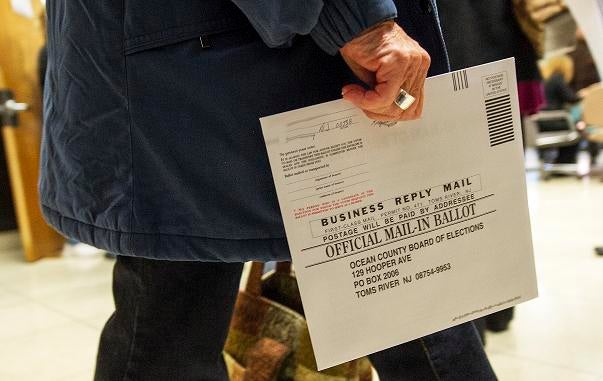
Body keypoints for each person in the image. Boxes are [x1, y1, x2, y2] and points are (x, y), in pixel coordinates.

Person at [41, 1, 496, 380]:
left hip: (178, 59)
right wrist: (360, 19)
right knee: (410, 299)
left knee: (167, 325)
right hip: (209, 60)